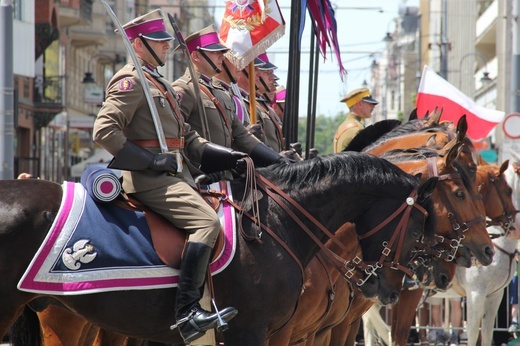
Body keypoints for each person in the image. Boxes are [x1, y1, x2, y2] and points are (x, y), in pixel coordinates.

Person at [93, 10, 243, 343]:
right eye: (159, 42)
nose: (165, 48)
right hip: (148, 179)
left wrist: (232, 156)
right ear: (138, 43)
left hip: (175, 173)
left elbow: (187, 137)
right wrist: (149, 160)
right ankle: (187, 311)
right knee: (207, 223)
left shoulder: (156, 82)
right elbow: (104, 130)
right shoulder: (131, 81)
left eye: (165, 42)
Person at [172, 25, 287, 175]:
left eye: (221, 52)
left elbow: (242, 136)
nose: (222, 56)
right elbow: (179, 137)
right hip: (199, 176)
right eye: (215, 52)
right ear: (196, 56)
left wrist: (278, 160)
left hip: (225, 178)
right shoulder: (183, 89)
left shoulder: (222, 94)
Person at [333, 87, 378, 153]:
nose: (373, 107)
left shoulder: (344, 126)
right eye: (370, 103)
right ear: (359, 104)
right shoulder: (357, 129)